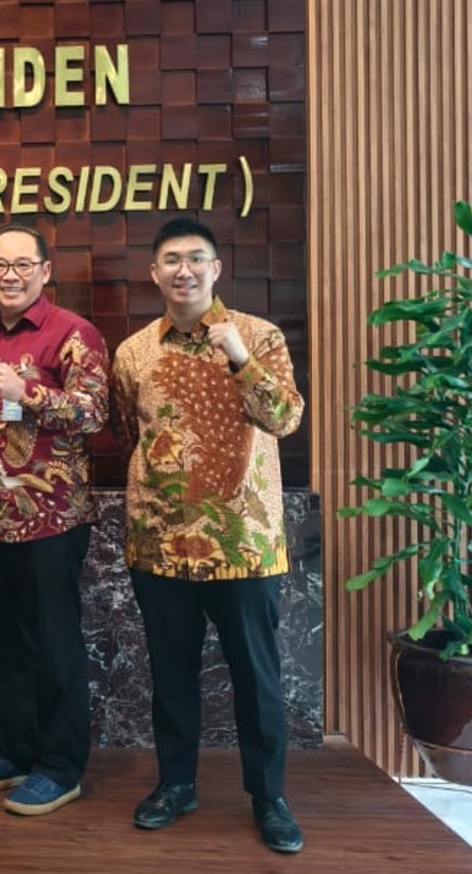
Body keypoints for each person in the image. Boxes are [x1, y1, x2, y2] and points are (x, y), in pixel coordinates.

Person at [111, 217, 307, 853]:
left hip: (243, 543)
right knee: (170, 673)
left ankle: (270, 797)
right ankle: (175, 784)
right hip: (160, 541)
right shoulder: (133, 352)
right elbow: (127, 433)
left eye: (196, 258)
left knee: (257, 677)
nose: (184, 270)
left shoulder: (259, 336)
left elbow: (285, 417)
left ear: (216, 269)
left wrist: (241, 360)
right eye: (172, 259)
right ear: (154, 272)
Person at [0, 224, 108, 816]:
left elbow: (94, 414)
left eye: (23, 264)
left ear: (46, 271)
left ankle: (60, 767)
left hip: (51, 521)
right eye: (0, 266)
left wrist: (29, 392)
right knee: (3, 646)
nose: (11, 275)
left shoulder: (74, 334)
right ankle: (16, 752)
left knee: (54, 646)